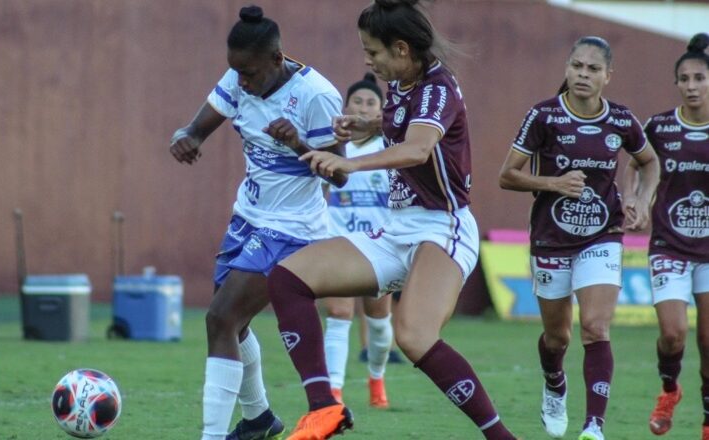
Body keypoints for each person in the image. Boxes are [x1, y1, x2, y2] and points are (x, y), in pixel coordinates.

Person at [266, 1, 518, 439]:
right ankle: (325, 407)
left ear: (402, 49)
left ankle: (501, 437)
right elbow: (401, 123)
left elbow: (418, 148)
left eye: (373, 52)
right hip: (396, 227)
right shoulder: (405, 84)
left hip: (443, 227)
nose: (368, 61)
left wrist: (349, 161)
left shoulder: (437, 88)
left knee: (414, 337)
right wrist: (368, 125)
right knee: (287, 280)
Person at [168, 6, 346, 440]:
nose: (241, 82)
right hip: (247, 218)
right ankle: (259, 418)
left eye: (248, 73)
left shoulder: (316, 96)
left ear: (277, 58)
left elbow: (341, 173)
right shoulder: (239, 77)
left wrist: (298, 142)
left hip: (292, 228)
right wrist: (185, 138)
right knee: (233, 323)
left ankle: (214, 435)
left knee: (220, 318)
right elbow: (195, 127)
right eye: (235, 72)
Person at [498, 36, 660, 440]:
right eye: (576, 66)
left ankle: (594, 426)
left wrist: (641, 198)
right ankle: (554, 381)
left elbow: (650, 160)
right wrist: (553, 182)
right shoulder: (544, 116)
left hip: (602, 236)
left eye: (592, 69)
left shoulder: (621, 120)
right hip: (551, 239)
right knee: (558, 337)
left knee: (595, 326)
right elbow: (507, 175)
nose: (582, 75)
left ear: (608, 76)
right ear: (567, 69)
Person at [625, 33, 709, 439]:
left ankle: (708, 421)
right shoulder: (659, 126)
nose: (691, 86)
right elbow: (635, 164)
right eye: (684, 79)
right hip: (669, 245)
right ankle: (669, 390)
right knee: (673, 334)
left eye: (699, 78)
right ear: (676, 83)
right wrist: (636, 201)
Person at [321, 72, 393, 409]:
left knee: (379, 326)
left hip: (379, 246)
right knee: (338, 313)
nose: (363, 108)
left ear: (381, 110)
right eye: (358, 101)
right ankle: (333, 394)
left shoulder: (390, 147)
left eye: (371, 102)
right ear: (345, 106)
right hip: (339, 242)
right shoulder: (334, 143)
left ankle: (376, 377)